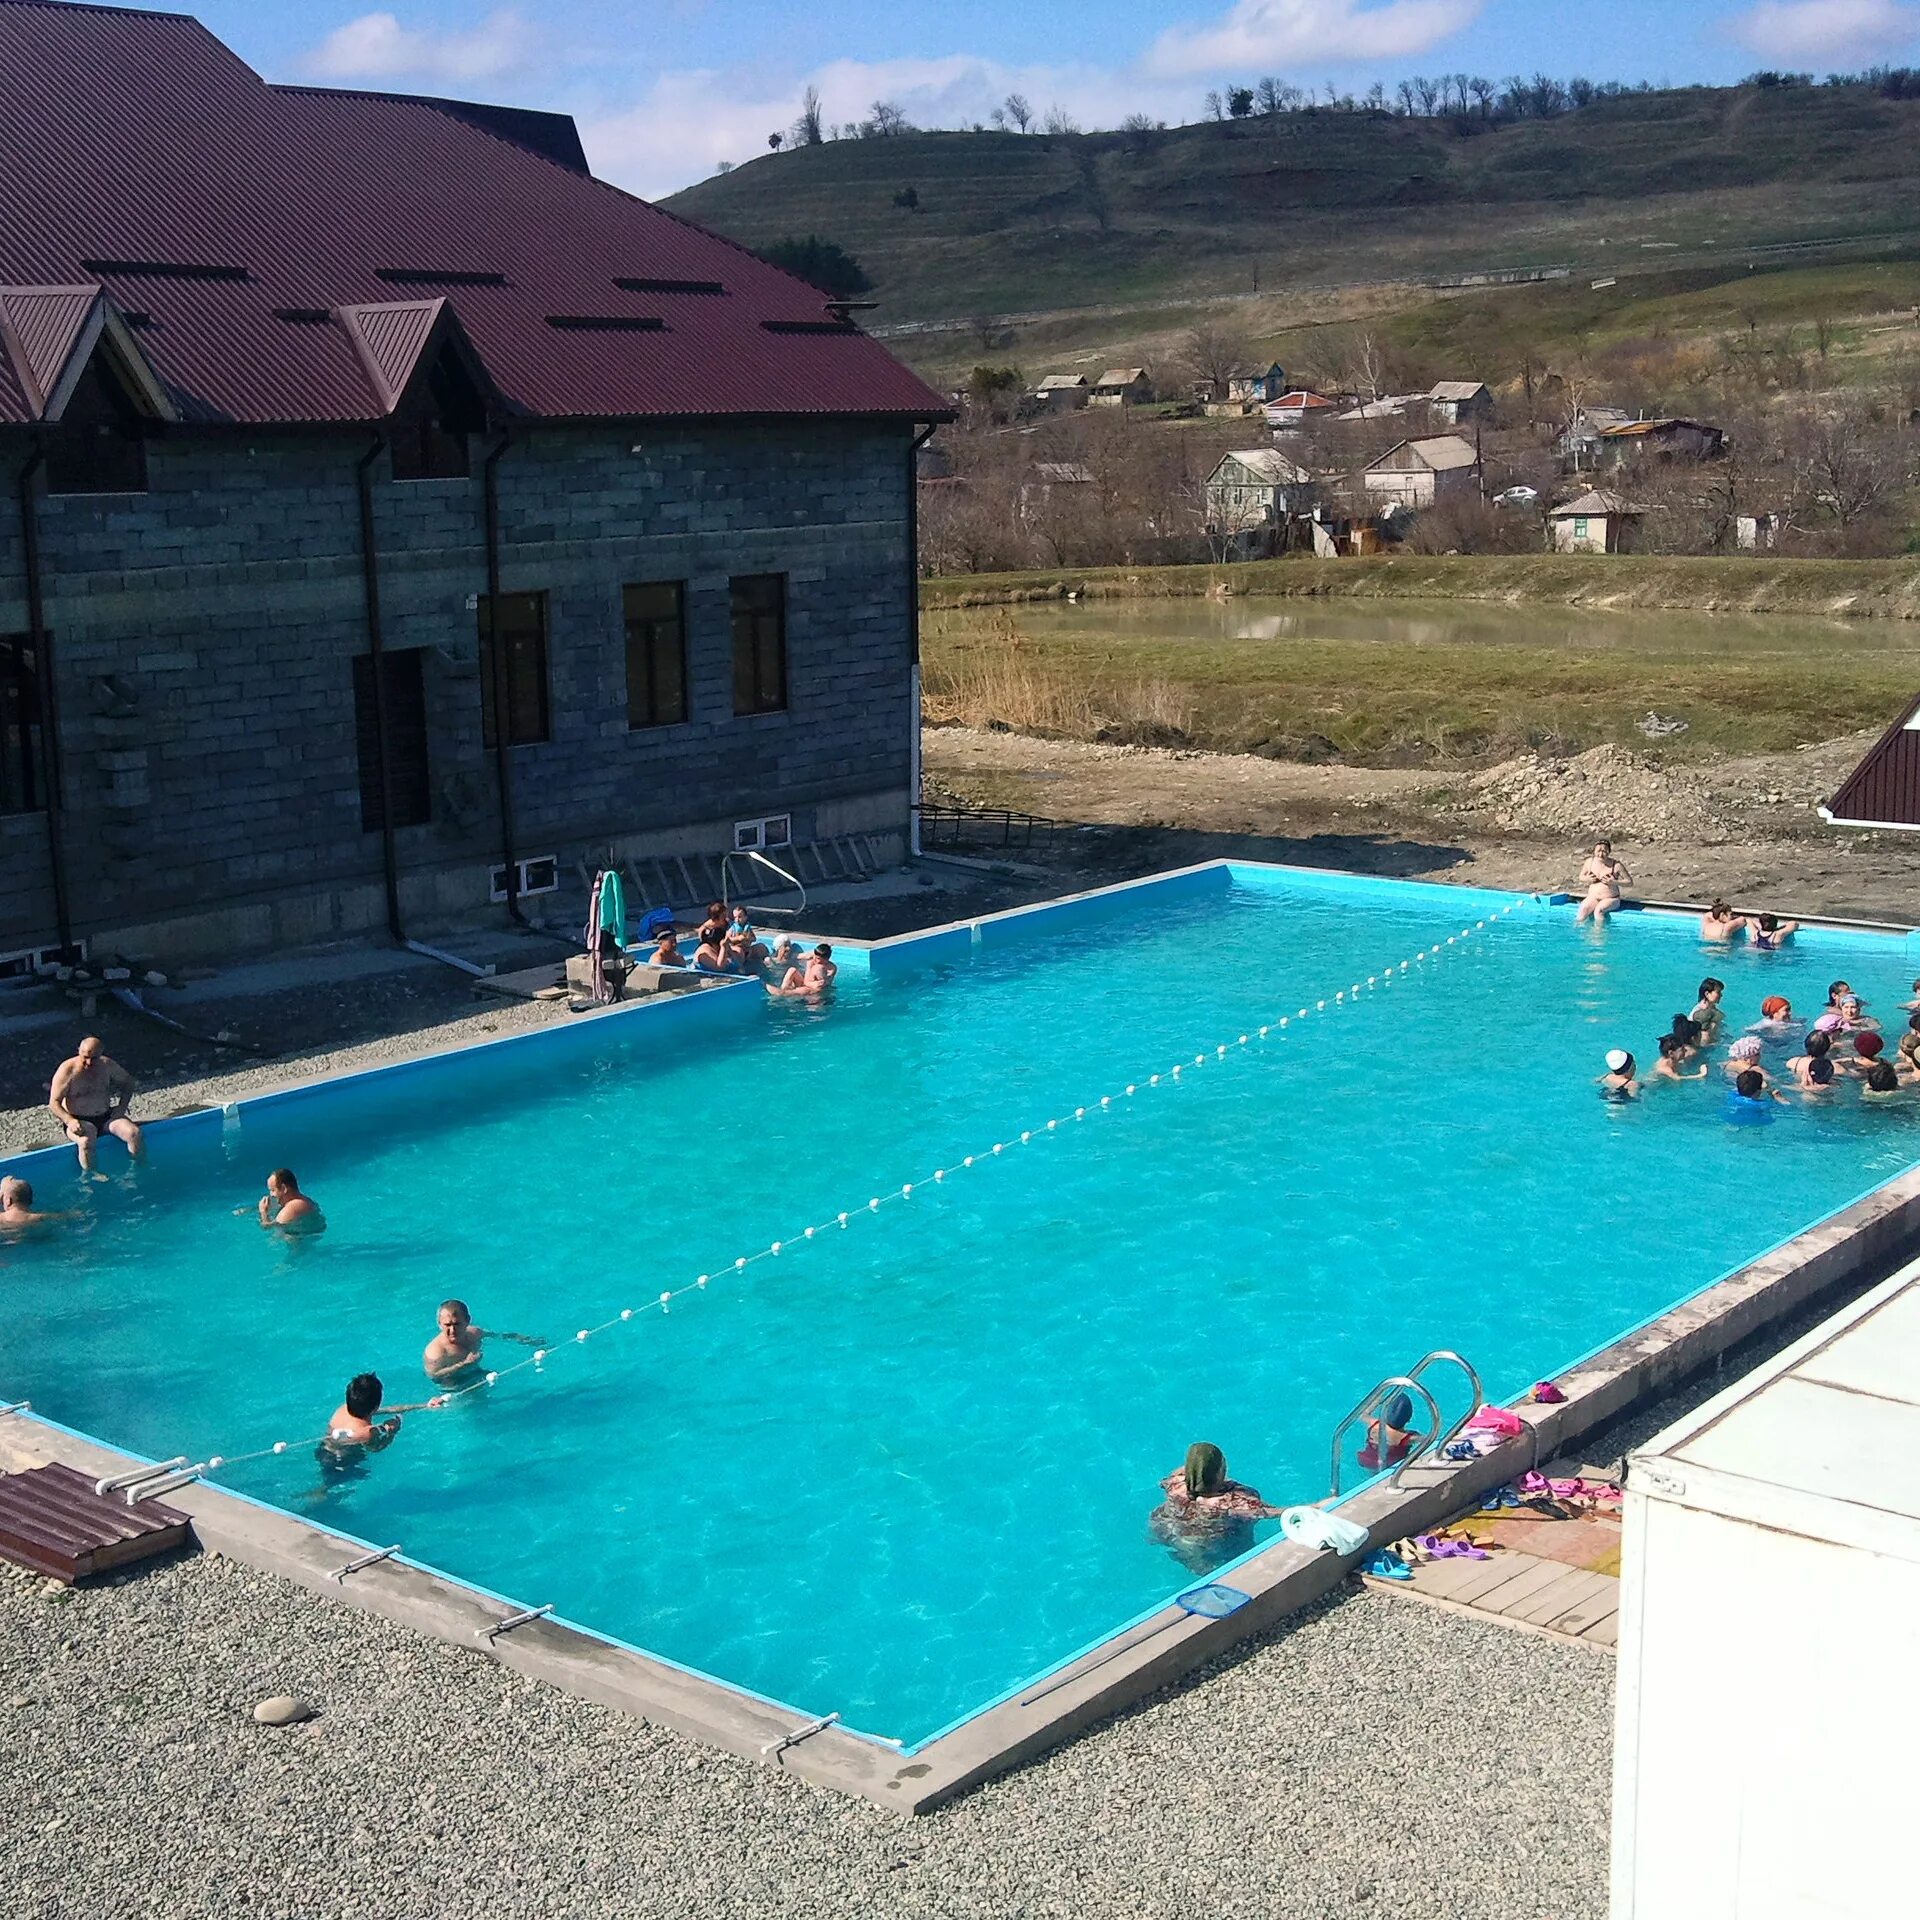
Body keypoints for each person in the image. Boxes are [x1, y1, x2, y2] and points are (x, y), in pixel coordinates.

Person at [47, 1036, 144, 1173]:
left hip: (106, 1116)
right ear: (78, 1051)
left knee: (134, 1133)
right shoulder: (67, 1070)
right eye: (85, 1057)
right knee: (86, 1142)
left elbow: (128, 1083)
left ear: (101, 1054)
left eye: (94, 1059)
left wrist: (122, 1106)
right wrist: (70, 1121)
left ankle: (139, 1169)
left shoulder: (107, 1065)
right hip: (79, 1120)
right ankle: (91, 1178)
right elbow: (54, 1102)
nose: (89, 1063)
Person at [321, 1372, 443, 1456]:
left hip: (323, 1450)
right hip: (343, 1460)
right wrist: (392, 1432)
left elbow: (389, 1410)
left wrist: (424, 1405)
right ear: (375, 1407)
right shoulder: (367, 1431)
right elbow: (375, 1448)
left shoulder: (344, 1408)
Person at [423, 1299, 544, 1383]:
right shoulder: (435, 1352)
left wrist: (523, 1339)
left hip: (476, 1371)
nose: (452, 1329)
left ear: (468, 1320)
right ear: (439, 1324)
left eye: (457, 1324)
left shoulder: (474, 1332)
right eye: (447, 1325)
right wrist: (464, 1364)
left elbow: (499, 1336)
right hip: (454, 1384)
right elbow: (434, 1375)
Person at [1358, 1391, 1419, 1470]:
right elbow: (1429, 1439)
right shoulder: (1408, 1438)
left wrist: (1377, 1401)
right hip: (1390, 1466)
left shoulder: (1375, 1425)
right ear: (1409, 1418)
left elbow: (1363, 1415)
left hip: (1366, 1460)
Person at [1575, 840, 1631, 924]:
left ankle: (1600, 934)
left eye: (1604, 851)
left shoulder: (1616, 865)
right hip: (1593, 897)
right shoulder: (1589, 862)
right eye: (1598, 851)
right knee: (1583, 910)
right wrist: (1587, 879)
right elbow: (1581, 877)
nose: (1601, 854)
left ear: (1609, 852)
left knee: (1599, 911)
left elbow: (1629, 882)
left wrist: (1614, 882)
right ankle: (1578, 933)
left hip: (1611, 899)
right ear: (1594, 851)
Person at [257, 1167, 323, 1233]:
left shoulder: (289, 1210)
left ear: (283, 1188)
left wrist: (263, 1213)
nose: (271, 1194)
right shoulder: (306, 1200)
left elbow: (267, 1228)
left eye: (273, 1190)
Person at [0, 1176, 74, 1231]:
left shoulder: (2, 1218)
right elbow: (68, 1216)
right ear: (31, 1201)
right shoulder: (38, 1218)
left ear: (8, 1201)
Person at [767, 942, 837, 1000]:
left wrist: (814, 985)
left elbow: (824, 985)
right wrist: (812, 984)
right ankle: (783, 990)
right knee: (792, 970)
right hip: (807, 984)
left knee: (809, 987)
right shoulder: (811, 962)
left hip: (818, 991)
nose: (814, 959)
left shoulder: (832, 968)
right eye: (814, 956)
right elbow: (806, 981)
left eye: (818, 958)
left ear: (826, 959)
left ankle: (784, 994)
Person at [1691, 979, 1726, 1044]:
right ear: (1707, 994)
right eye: (1718, 992)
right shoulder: (1699, 1013)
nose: (1721, 995)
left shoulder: (1712, 1009)